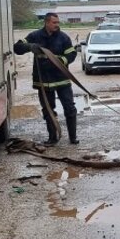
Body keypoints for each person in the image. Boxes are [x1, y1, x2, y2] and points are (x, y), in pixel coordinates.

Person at [14, 12, 79, 145]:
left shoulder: (63, 38)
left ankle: (73, 138)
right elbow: (17, 48)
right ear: (46, 22)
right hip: (43, 82)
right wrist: (29, 46)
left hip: (62, 80)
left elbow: (72, 54)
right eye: (54, 23)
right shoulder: (35, 36)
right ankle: (52, 138)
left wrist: (61, 60)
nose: (57, 25)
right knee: (48, 110)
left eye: (58, 23)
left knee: (70, 108)